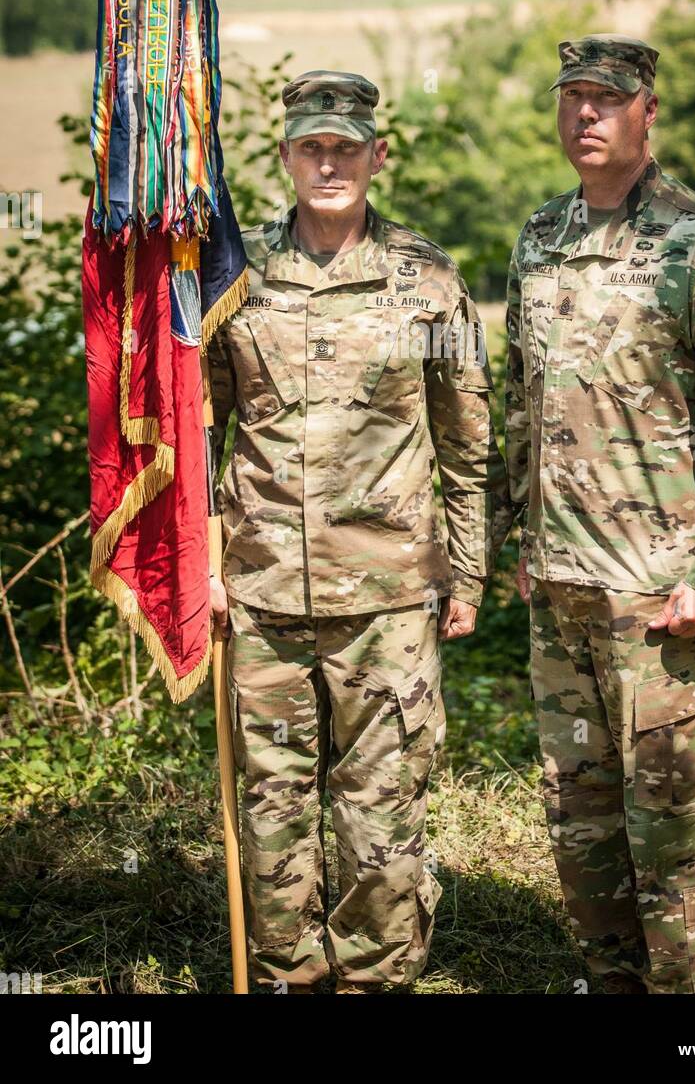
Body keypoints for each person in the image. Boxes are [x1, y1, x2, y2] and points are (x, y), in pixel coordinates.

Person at [504, 34, 695, 994]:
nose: (586, 115)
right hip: (562, 594)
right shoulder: (538, 237)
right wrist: (522, 534)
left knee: (673, 841)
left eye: (608, 99)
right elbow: (522, 401)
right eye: (573, 98)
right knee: (580, 825)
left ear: (648, 111)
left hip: (664, 602)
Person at [208, 69, 511, 993]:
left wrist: (467, 575)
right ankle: (287, 978)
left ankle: (376, 981)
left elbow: (466, 437)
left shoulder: (427, 279)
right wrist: (201, 564)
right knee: (270, 811)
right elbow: (202, 427)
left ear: (377, 155)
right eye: (312, 147)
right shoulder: (236, 277)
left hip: (387, 595)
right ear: (286, 157)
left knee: (380, 817)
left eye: (346, 147)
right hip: (258, 589)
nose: (329, 163)